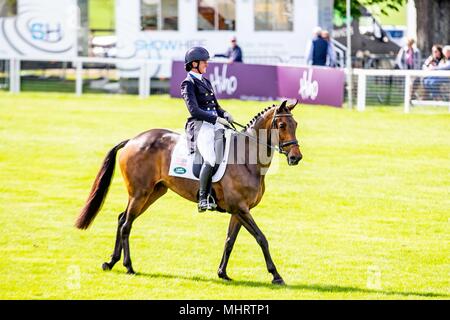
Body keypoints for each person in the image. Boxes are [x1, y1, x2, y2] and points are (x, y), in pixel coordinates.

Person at [180, 47, 234, 212]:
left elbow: (215, 106)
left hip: (214, 123)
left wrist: (224, 113)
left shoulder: (205, 81)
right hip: (200, 126)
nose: (207, 65)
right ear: (194, 64)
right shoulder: (188, 83)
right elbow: (194, 110)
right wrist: (216, 118)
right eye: (204, 62)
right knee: (210, 158)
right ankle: (203, 198)